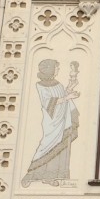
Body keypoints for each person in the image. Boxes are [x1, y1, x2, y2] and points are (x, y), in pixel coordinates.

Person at [21, 59, 79, 187]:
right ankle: (31, 174)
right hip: (52, 122)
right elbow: (48, 103)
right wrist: (67, 98)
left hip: (63, 120)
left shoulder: (57, 83)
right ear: (50, 69)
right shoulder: (40, 86)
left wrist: (70, 88)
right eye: (56, 68)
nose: (58, 70)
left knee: (61, 146)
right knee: (46, 146)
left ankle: (51, 176)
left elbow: (62, 94)